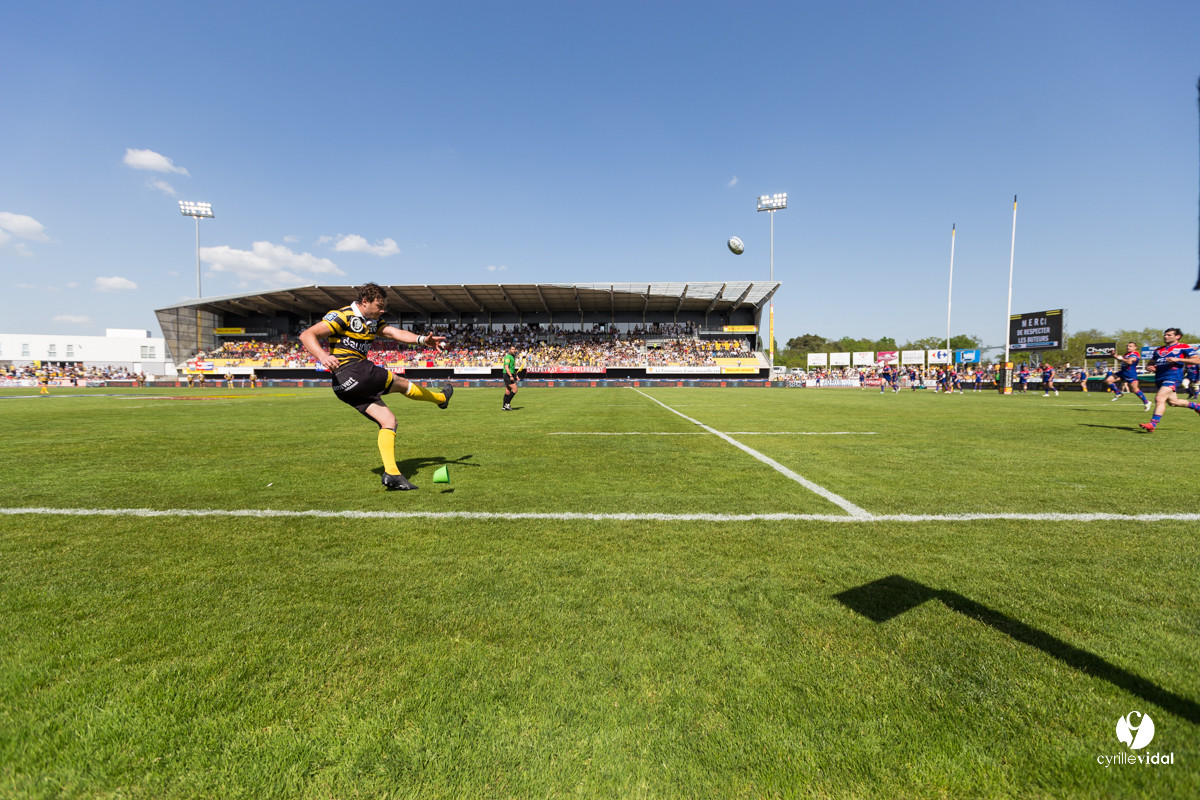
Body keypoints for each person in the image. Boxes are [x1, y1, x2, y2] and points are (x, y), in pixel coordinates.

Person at [299, 282, 453, 490]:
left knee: (389, 421)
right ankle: (441, 399)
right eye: (379, 305)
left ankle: (392, 474)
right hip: (354, 370)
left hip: (342, 386)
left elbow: (394, 333)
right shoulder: (343, 315)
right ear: (364, 301)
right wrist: (322, 356)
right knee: (402, 383)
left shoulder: (372, 321)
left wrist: (421, 340)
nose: (383, 310)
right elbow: (307, 334)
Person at [1138, 328, 1200, 432]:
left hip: (1173, 376)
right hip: (1159, 378)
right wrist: (1150, 367)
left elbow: (1197, 360)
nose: (1166, 337)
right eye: (1165, 335)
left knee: (1159, 398)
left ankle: (1152, 424)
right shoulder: (1158, 350)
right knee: (1173, 402)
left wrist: (1178, 359)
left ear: (1177, 336)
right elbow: (1151, 363)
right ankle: (1196, 406)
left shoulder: (1183, 347)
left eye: (1169, 335)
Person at [1105, 342, 1150, 410]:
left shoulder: (1135, 354)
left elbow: (1129, 362)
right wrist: (1114, 355)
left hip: (1130, 374)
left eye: (1130, 346)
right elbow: (1121, 360)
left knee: (1134, 390)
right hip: (1123, 372)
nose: (1128, 347)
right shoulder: (1127, 354)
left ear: (1135, 348)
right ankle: (1118, 393)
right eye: (1127, 346)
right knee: (1108, 380)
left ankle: (1146, 402)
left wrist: (1121, 358)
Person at [501, 345, 519, 410]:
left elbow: (513, 368)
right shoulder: (508, 357)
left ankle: (504, 406)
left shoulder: (513, 357)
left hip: (510, 375)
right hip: (507, 375)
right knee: (515, 389)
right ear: (509, 350)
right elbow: (506, 367)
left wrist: (516, 376)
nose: (514, 350)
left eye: (514, 349)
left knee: (507, 391)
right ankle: (507, 404)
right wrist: (511, 376)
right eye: (512, 349)